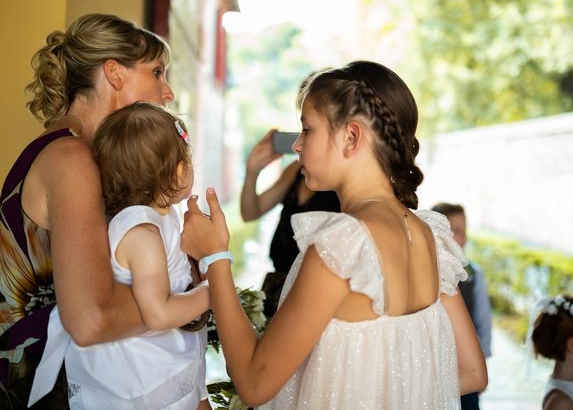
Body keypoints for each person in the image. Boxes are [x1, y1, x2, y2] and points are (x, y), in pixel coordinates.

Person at [182, 60, 488, 409]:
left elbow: (254, 383)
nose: (297, 145)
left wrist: (216, 258)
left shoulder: (345, 245)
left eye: (307, 129)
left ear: (351, 137)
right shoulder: (431, 238)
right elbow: (471, 372)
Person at [0, 13, 174, 408]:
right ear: (114, 74)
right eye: (158, 72)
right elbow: (90, 320)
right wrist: (193, 293)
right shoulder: (73, 158)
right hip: (36, 390)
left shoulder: (72, 150)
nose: (168, 92)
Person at [29, 102, 212, 408]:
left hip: (152, 358)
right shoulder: (142, 234)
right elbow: (159, 314)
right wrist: (211, 290)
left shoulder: (155, 219)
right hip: (139, 373)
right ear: (179, 171)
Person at [240, 128, 340, 318]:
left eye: (308, 130)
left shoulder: (341, 181)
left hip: (309, 297)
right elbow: (250, 212)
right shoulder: (296, 170)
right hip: (274, 288)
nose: (298, 143)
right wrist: (252, 171)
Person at [431, 202, 492, 410]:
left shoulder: (474, 275)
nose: (462, 238)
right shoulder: (428, 275)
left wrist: (483, 359)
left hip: (467, 365)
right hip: (437, 365)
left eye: (463, 231)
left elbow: (483, 321)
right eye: (456, 231)